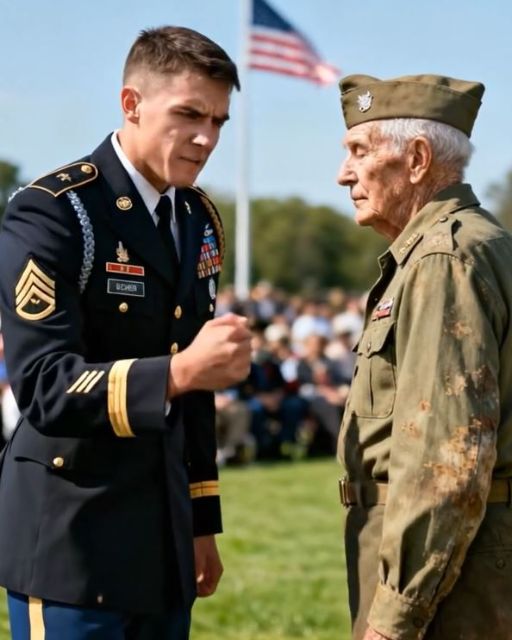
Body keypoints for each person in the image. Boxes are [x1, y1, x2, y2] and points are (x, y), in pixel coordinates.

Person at [0, 26, 252, 640]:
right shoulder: (56, 210)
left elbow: (195, 397)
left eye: (218, 121)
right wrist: (181, 372)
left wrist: (200, 523)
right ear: (132, 103)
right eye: (188, 115)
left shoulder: (198, 217)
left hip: (161, 541)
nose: (206, 138)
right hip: (70, 539)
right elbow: (44, 387)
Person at [336, 74, 512, 640]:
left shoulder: (444, 258)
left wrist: (396, 618)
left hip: (449, 583)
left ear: (416, 160)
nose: (344, 174)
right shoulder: (476, 244)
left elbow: (445, 459)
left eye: (360, 151)